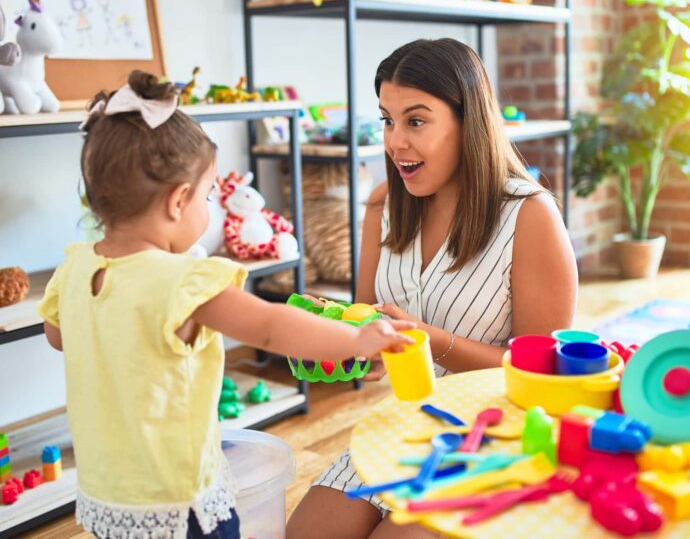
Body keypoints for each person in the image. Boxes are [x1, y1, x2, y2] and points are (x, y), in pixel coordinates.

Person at [38, 71, 414, 539]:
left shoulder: (72, 270)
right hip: (178, 498)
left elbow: (59, 336)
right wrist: (355, 338)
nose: (211, 206)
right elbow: (272, 327)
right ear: (178, 200)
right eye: (210, 194)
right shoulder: (183, 281)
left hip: (108, 494)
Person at [287, 38, 578, 539]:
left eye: (416, 121)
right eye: (387, 120)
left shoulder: (530, 216)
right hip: (407, 424)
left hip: (496, 437)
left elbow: (545, 375)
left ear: (469, 123)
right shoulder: (385, 204)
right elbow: (369, 318)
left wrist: (428, 340)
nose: (395, 141)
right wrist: (342, 335)